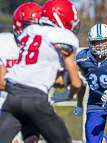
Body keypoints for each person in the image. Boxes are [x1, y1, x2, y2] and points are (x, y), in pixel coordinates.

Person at [0, 0, 81, 142]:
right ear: (61, 18)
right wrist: (69, 93)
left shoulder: (30, 32)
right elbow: (76, 83)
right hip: (35, 100)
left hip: (12, 99)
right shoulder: (63, 37)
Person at [0, 2, 42, 143]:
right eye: (28, 26)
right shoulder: (5, 43)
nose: (33, 31)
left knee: (33, 139)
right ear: (17, 25)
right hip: (5, 103)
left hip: (31, 103)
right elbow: (1, 82)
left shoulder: (43, 47)